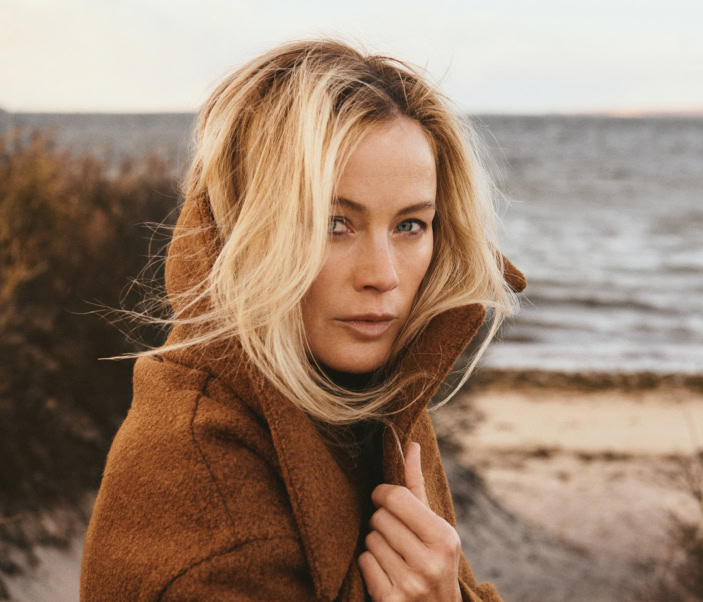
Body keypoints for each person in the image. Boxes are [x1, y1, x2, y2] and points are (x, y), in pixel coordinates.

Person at [79, 39, 525, 601]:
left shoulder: (376, 396)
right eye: (333, 223)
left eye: (410, 225)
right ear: (248, 228)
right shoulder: (209, 515)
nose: (383, 275)